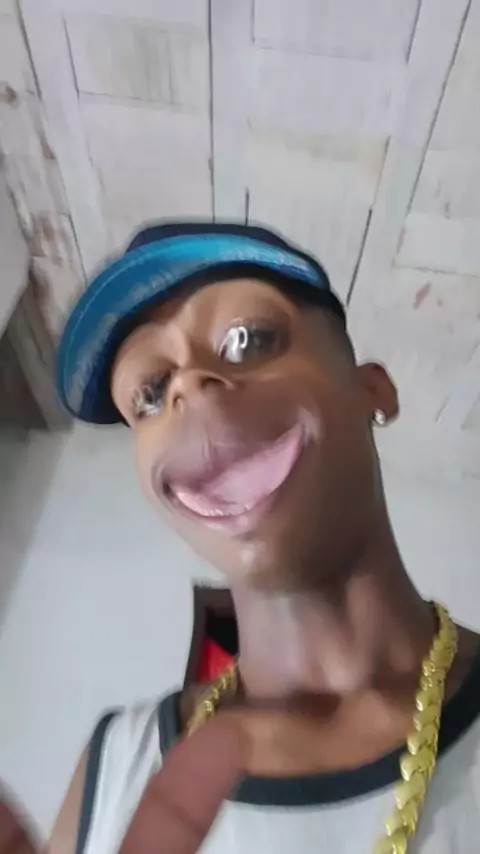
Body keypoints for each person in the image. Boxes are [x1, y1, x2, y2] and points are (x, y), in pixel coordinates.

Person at [50, 222, 480, 854]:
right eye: (149, 393)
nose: (188, 384)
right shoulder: (116, 767)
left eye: (246, 339)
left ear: (373, 390)